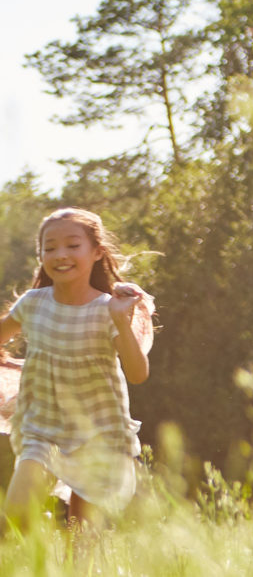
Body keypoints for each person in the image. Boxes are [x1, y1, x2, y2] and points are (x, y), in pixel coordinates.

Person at [0, 208, 151, 532]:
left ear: (97, 252)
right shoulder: (33, 303)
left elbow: (138, 374)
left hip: (99, 435)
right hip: (42, 429)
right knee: (15, 516)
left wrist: (121, 321)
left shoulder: (107, 310)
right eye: (50, 247)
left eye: (72, 245)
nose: (60, 255)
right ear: (40, 254)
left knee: (81, 543)